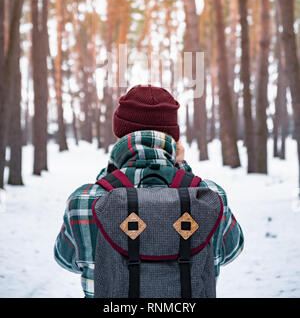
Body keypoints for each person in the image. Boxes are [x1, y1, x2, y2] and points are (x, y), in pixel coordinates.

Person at [54, 84, 244, 298]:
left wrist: (107, 178)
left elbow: (65, 258)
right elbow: (231, 250)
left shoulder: (85, 202)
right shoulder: (209, 197)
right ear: (174, 136)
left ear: (120, 133)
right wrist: (183, 172)